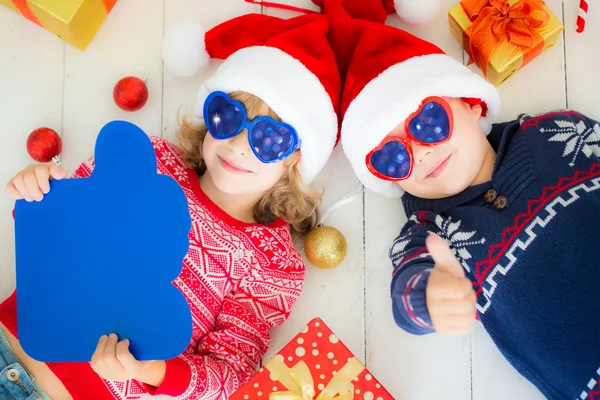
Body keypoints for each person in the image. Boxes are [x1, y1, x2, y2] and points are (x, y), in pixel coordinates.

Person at [2, 11, 342, 400]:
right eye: (228, 118)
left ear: (295, 160)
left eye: (268, 139)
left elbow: (231, 371)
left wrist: (153, 370)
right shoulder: (149, 158)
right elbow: (56, 238)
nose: (238, 145)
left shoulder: (272, 265)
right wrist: (38, 193)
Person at [319, 0, 600, 399]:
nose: (419, 152)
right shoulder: (430, 233)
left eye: (429, 122)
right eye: (392, 158)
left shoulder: (555, 133)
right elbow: (408, 294)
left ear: (471, 104)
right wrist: (429, 294)